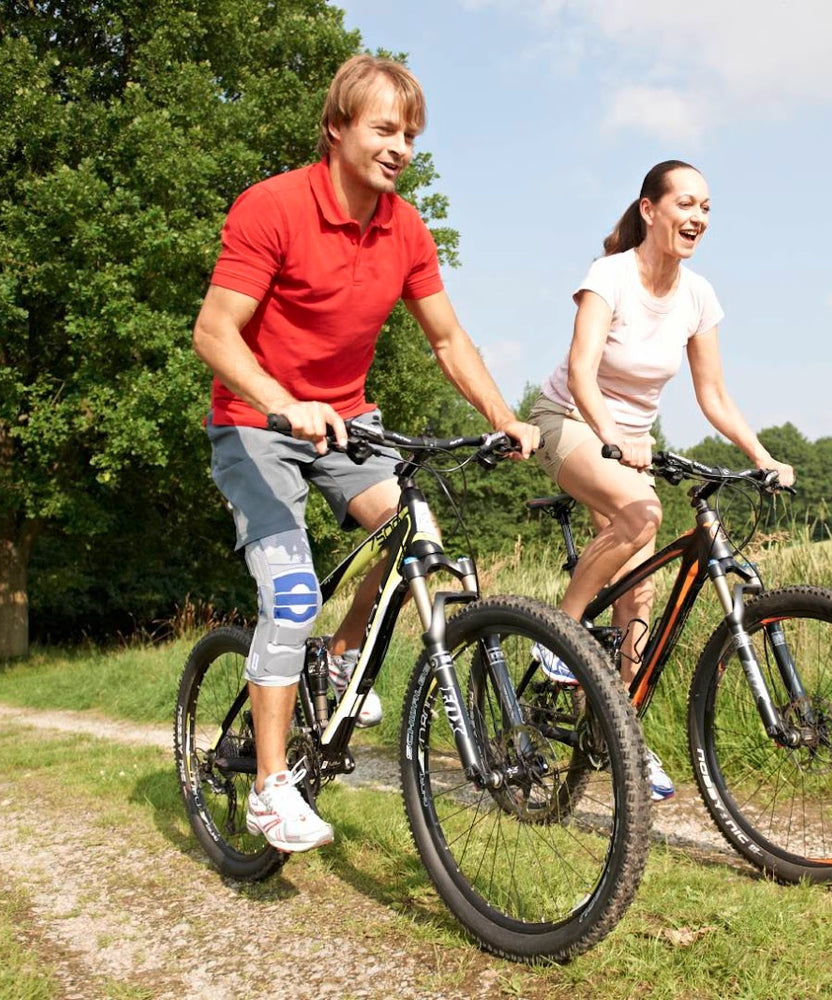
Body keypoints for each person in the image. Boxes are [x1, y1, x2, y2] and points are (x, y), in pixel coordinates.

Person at [192, 55, 539, 853]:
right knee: (288, 595)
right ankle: (271, 789)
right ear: (338, 128)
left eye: (410, 134)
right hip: (254, 421)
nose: (400, 147)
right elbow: (215, 333)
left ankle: (344, 661)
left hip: (346, 423)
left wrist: (502, 416)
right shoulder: (273, 207)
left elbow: (448, 339)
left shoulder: (405, 227)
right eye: (385, 129)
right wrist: (283, 402)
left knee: (417, 535)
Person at [526, 160, 795, 801]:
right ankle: (556, 637)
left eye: (707, 206)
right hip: (571, 419)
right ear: (649, 209)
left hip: (633, 444)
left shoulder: (699, 296)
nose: (698, 216)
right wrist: (611, 439)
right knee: (642, 514)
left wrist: (761, 455)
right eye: (686, 202)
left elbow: (714, 396)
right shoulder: (609, 277)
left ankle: (618, 738)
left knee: (638, 600)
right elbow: (584, 373)